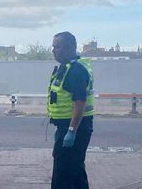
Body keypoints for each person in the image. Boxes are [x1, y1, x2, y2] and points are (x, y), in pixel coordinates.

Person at [48, 31, 95, 189]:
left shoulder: (75, 71)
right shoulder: (67, 67)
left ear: (69, 48)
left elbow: (79, 102)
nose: (54, 50)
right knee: (76, 172)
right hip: (69, 127)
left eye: (57, 47)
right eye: (53, 47)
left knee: (63, 174)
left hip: (74, 129)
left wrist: (72, 131)